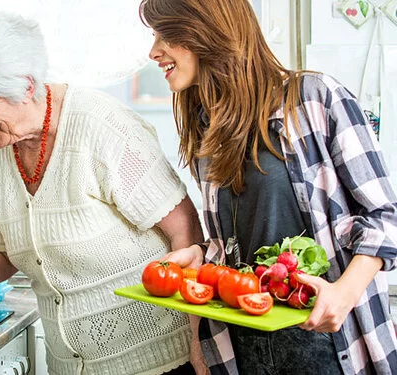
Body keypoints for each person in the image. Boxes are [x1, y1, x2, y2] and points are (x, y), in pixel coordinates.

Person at [0, 7, 206, 375]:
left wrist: (200, 345)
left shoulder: (101, 126)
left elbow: (186, 232)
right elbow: (1, 255)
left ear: (24, 84)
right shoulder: (2, 153)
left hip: (157, 363)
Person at [139, 0, 397, 374]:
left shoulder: (314, 98)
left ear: (207, 31)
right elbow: (239, 243)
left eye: (167, 34)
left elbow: (386, 216)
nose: (154, 51)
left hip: (327, 340)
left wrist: (344, 293)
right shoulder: (206, 126)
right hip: (242, 345)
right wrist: (201, 256)